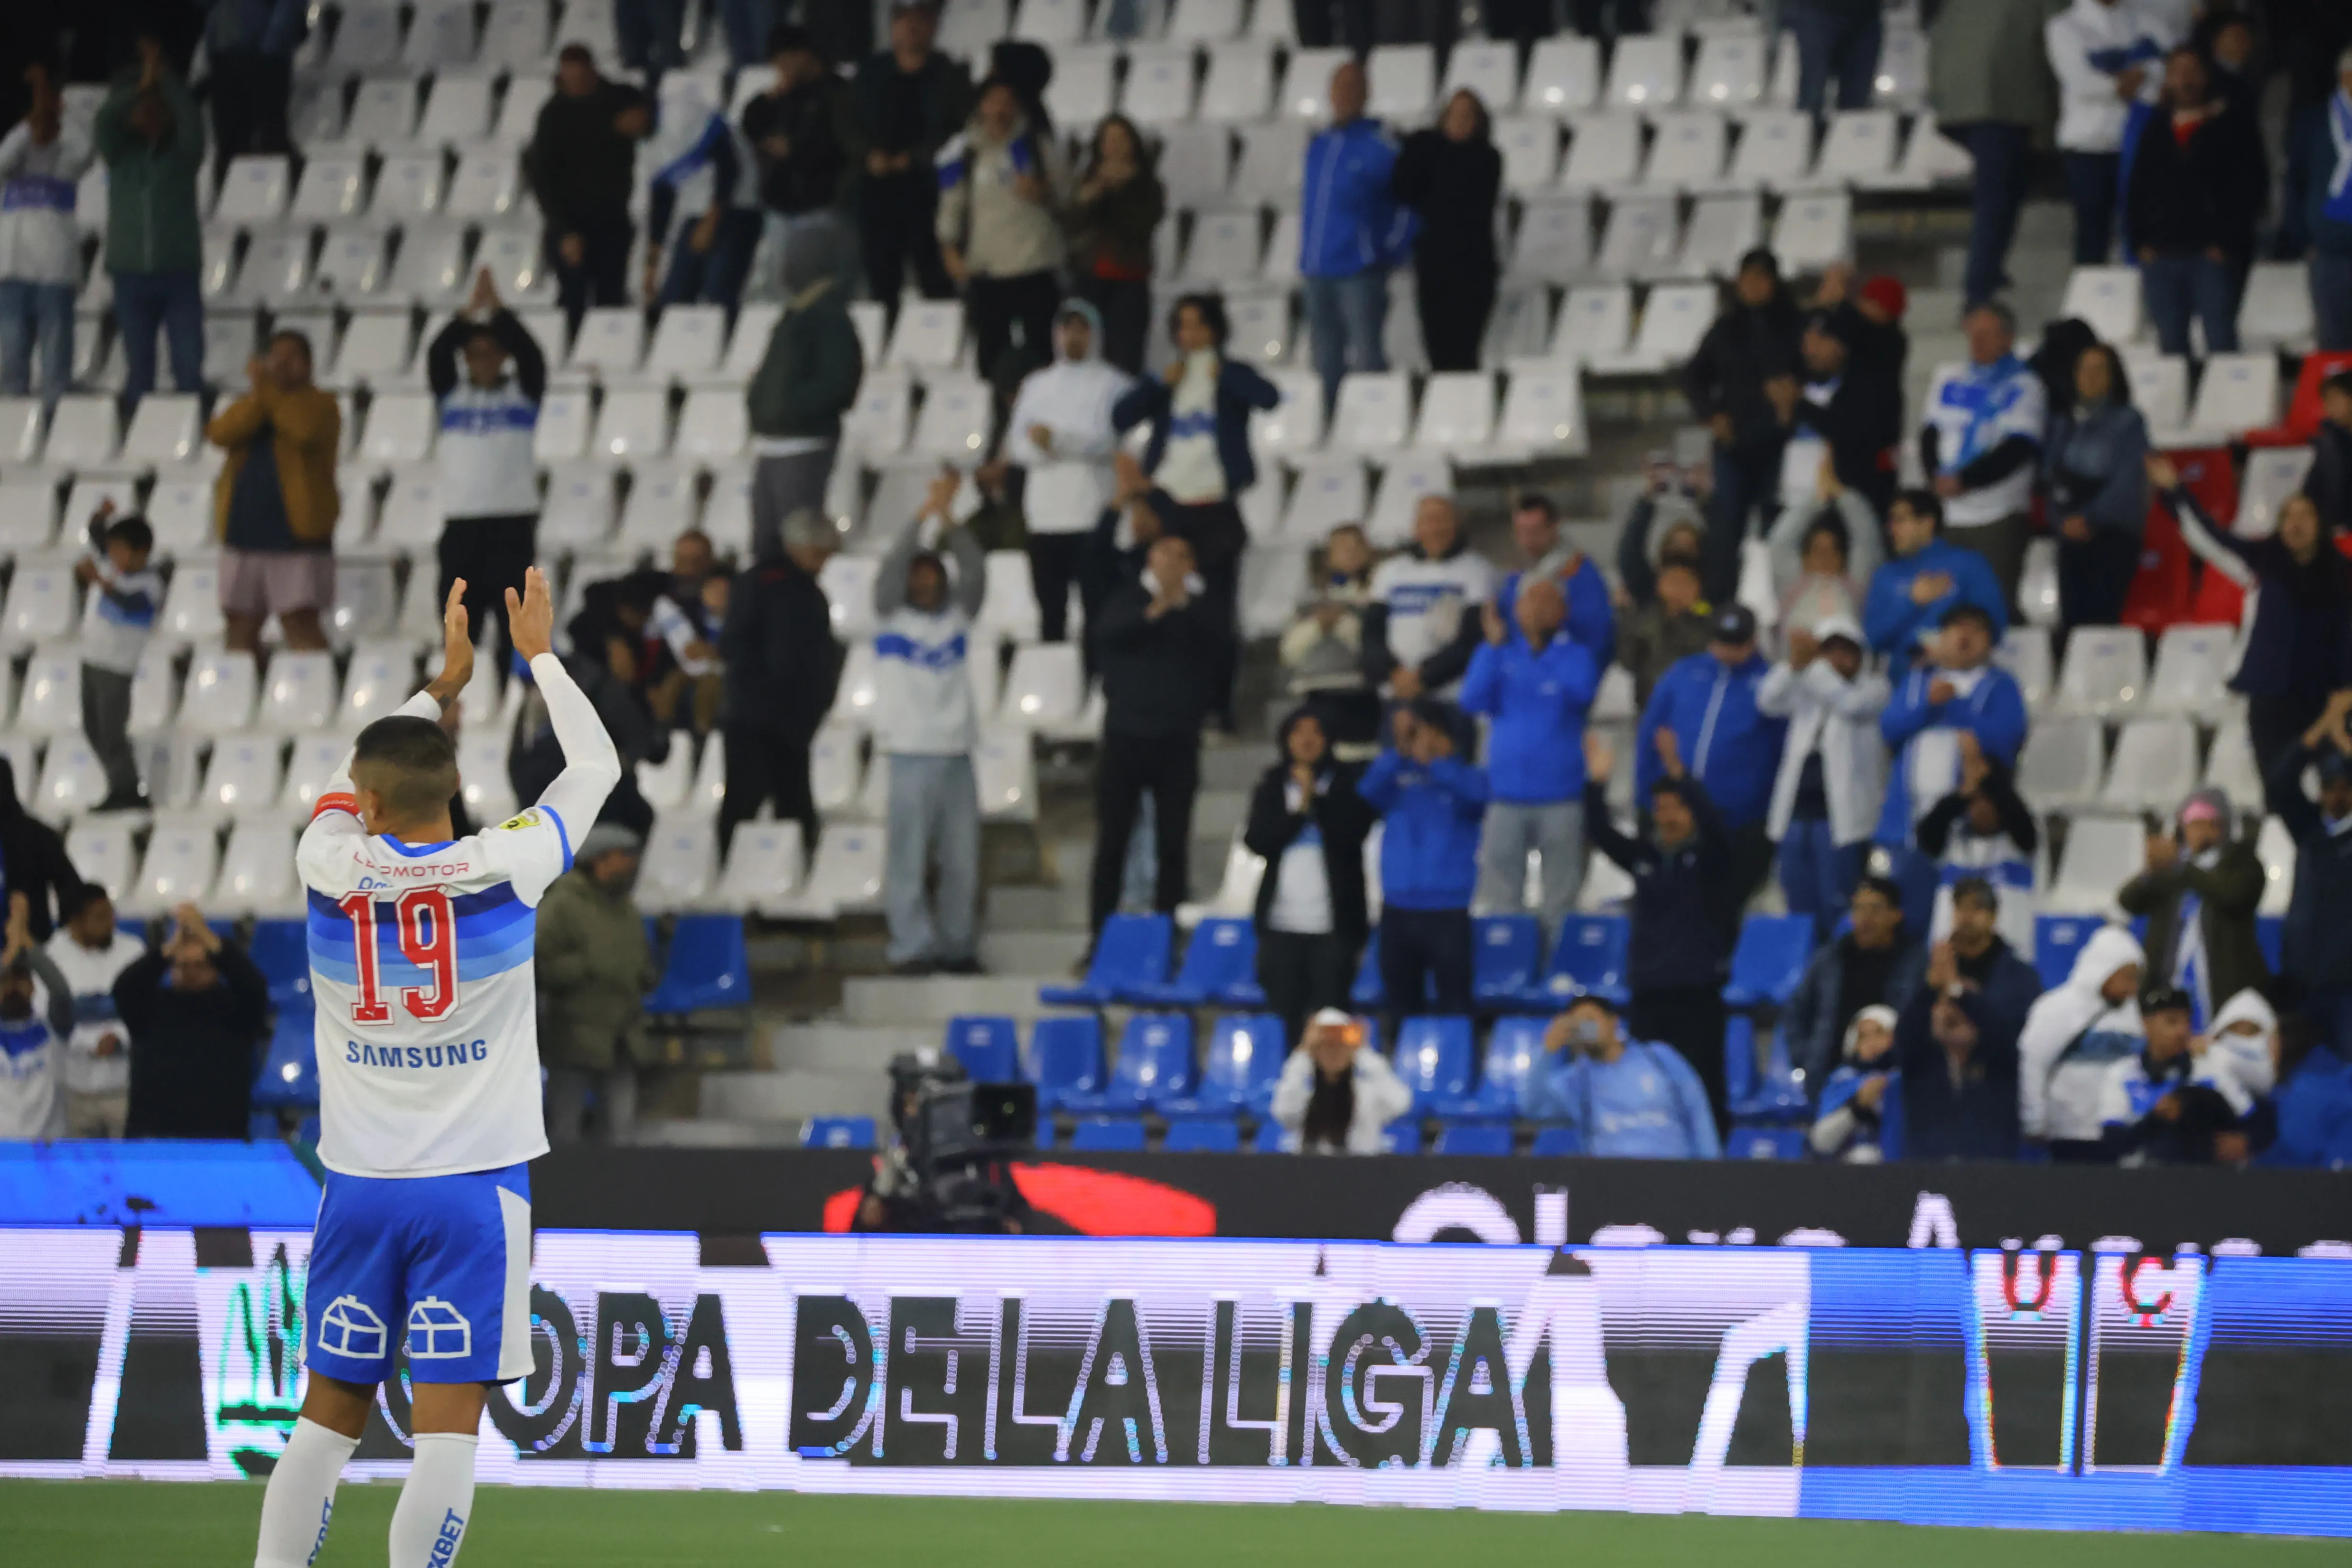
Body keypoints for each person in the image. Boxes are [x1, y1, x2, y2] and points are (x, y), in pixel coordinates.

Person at [246, 567, 616, 1568]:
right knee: (446, 1430)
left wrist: (438, 684)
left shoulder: (329, 859)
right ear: (454, 786)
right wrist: (535, 653)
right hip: (473, 1189)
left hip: (359, 1184)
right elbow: (596, 765)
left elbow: (355, 772)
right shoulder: (510, 861)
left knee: (325, 1421)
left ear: (364, 802)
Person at [1111, 294, 1278, 728]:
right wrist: (1157, 386)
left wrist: (1231, 379)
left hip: (1215, 506)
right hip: (1169, 504)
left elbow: (1270, 397)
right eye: (1182, 327)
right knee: (1164, 602)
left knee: (1218, 611)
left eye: (1198, 325)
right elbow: (1121, 415)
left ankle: (1220, 706)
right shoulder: (1170, 378)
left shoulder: (1229, 374)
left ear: (1215, 329)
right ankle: (1179, 700)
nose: (1190, 335)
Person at [2158, 458, 2352, 798]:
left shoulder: (2344, 575)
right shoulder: (2262, 565)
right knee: (2281, 797)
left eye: (2305, 515)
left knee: (2339, 797)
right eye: (2287, 517)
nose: (2295, 524)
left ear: (2321, 524)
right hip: (2270, 701)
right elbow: (2208, 537)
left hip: (2328, 703)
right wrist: (2175, 491)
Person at [1584, 730, 1736, 1128]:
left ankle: (1712, 1166)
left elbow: (1716, 828)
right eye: (1660, 808)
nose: (1666, 817)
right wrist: (1596, 784)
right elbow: (1600, 833)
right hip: (1649, 994)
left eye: (1675, 808)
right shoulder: (1645, 858)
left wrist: (1679, 773)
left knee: (1704, 1088)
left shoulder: (1712, 862)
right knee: (1647, 1085)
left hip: (1698, 995)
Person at [873, 474, 987, 976]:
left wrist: (950, 520)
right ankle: (911, 946)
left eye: (931, 574)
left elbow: (976, 568)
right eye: (916, 575)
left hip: (958, 752)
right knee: (908, 858)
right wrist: (923, 514)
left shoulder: (960, 615)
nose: (923, 582)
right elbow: (891, 565)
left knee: (963, 861)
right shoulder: (888, 615)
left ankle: (958, 945)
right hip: (909, 753)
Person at [1087, 533, 1219, 936]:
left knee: (1173, 845)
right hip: (1126, 736)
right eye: (1165, 554)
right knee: (1113, 842)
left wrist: (1179, 609)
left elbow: (1219, 653)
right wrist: (1157, 609)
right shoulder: (1127, 600)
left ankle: (1166, 937)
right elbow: (1107, 636)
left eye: (1183, 555)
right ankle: (1101, 938)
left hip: (1177, 739)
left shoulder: (1203, 611)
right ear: (1150, 559)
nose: (1172, 563)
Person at [1462, 576, 1601, 943]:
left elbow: (1581, 692)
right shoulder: (1499, 654)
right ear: (1516, 608)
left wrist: (1546, 650)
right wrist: (1492, 648)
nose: (1538, 608)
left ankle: (1555, 969)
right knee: (1501, 895)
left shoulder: (1577, 655)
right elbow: (1471, 700)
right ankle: (1508, 966)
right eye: (1531, 600)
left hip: (1561, 795)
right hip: (1506, 794)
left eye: (1548, 600)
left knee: (1561, 895)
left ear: (1563, 611)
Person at [1876, 604, 2029, 933]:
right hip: (1905, 823)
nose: (1964, 636)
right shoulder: (1919, 681)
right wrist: (1926, 706)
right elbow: (1890, 728)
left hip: (1962, 828)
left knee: (1950, 920)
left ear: (1989, 642)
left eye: (1975, 629)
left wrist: (1955, 708)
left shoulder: (2001, 685)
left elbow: (2007, 737)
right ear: (1941, 637)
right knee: (1898, 914)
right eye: (1956, 628)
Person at [987, 299, 1130, 644]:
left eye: (1082, 329)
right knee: (1051, 613)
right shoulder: (1037, 385)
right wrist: (1044, 445)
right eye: (1068, 329)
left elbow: (1109, 441)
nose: (1074, 338)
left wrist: (1059, 442)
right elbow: (1017, 445)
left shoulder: (1115, 384)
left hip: (1092, 512)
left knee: (1098, 609)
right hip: (1044, 518)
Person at [427, 271, 546, 667]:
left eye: (491, 351)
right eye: (475, 354)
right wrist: (465, 315)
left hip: (512, 524)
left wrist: (500, 312)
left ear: (504, 355)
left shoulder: (523, 394)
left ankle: (507, 693)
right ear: (465, 360)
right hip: (461, 524)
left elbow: (533, 355)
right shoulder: (451, 396)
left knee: (513, 623)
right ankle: (462, 702)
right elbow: (436, 354)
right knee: (460, 624)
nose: (484, 361)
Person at [1635, 604, 1786, 909]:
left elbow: (1782, 754)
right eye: (1723, 642)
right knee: (1670, 908)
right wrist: (1644, 802)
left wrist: (1769, 818)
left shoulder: (1771, 684)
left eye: (1737, 643)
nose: (1729, 652)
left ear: (1752, 641)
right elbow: (1650, 736)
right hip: (1679, 818)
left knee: (1726, 908)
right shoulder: (1683, 673)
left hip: (1739, 820)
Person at [2123, 46, 2266, 358]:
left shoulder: (2232, 126)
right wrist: (2140, 242)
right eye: (2178, 72)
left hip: (2210, 255)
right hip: (2161, 255)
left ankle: (2224, 406)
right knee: (2171, 347)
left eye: (2193, 71)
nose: (2186, 80)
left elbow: (2248, 190)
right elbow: (2137, 190)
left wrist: (2226, 243)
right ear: (2168, 79)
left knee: (2221, 340)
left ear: (2206, 76)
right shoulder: (2156, 128)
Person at [1246, 716, 1376, 1054]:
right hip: (1281, 925)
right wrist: (1299, 812)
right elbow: (1259, 840)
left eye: (1316, 732)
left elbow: (1351, 832)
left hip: (1334, 926)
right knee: (1283, 1018)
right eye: (1298, 733)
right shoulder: (1272, 784)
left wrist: (1314, 799)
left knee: (1334, 1019)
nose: (1306, 740)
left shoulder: (1348, 782)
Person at [718, 508, 844, 855]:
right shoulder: (768, 585)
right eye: (820, 554)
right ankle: (730, 870)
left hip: (784, 718)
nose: (822, 563)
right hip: (761, 717)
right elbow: (737, 645)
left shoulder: (792, 588)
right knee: (749, 802)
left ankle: (787, 872)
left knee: (792, 805)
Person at [206, 330, 339, 655]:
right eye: (275, 356)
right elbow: (220, 433)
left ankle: (315, 696)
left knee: (300, 624)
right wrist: (260, 397)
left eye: (291, 357)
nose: (281, 364)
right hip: (243, 533)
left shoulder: (321, 405)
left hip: (297, 537)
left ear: (308, 365)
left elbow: (303, 430)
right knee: (239, 626)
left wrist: (266, 393)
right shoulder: (253, 405)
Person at [1758, 615, 1889, 939]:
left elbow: (1851, 704)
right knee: (1798, 904)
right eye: (1830, 652)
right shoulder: (1808, 688)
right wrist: (1793, 666)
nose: (1839, 661)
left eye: (1848, 653)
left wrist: (1812, 667)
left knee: (1838, 904)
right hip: (1796, 815)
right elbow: (1767, 701)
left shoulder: (1876, 689)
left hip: (1840, 823)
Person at [1357, 700, 1488, 1025]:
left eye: (1430, 733)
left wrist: (1437, 763)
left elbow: (1478, 799)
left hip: (1448, 909)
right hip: (1398, 907)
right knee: (1400, 1007)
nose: (1423, 740)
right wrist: (1399, 752)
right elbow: (1366, 793)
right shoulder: (1396, 777)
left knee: (1456, 1007)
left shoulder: (1467, 777)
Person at [1682, 249, 1802, 603]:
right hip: (1734, 442)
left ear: (1775, 282)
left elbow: (1812, 373)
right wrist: (1712, 414)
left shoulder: (1794, 326)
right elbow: (1693, 377)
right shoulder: (1726, 328)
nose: (1752, 286)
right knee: (1725, 530)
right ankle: (1720, 607)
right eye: (1746, 278)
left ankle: (1781, 602)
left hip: (1781, 444)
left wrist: (1792, 402)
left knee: (1778, 529)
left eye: (1761, 278)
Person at [937, 75, 1069, 393]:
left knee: (1043, 355)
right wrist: (950, 252)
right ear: (981, 105)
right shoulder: (961, 153)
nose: (1000, 109)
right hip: (988, 270)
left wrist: (1043, 194)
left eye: (1007, 102)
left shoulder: (1040, 147)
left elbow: (1069, 200)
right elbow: (950, 206)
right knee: (991, 358)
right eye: (993, 101)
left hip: (1035, 266)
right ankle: (993, 425)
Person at [95, 29, 205, 407]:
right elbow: (105, 120)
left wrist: (164, 79)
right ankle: (137, 439)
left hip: (178, 272)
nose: (150, 112)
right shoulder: (119, 155)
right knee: (139, 373)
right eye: (142, 107)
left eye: (156, 105)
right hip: (130, 275)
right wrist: (141, 85)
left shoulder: (183, 155)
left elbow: (192, 121)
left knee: (189, 368)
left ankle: (194, 434)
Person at [744, 225, 863, 567]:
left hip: (805, 444)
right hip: (773, 442)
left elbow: (841, 383)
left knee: (797, 550)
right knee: (766, 547)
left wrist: (788, 407)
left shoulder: (829, 318)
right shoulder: (797, 314)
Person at [1299, 59, 1413, 414]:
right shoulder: (1318, 145)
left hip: (1360, 270)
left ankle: (1373, 425)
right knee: (1324, 361)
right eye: (1340, 87)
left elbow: (1410, 205)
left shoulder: (1383, 147)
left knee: (1367, 356)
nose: (1345, 95)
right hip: (1317, 270)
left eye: (1353, 88)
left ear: (1366, 94)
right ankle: (1331, 427)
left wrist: (1389, 251)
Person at [1930, 0, 2061, 308]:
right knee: (1997, 199)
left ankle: (1988, 274)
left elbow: (1936, 43)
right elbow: (2057, 43)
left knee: (2001, 193)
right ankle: (1979, 289)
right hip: (2003, 103)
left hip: (1960, 103)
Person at [537, 823, 661, 1145]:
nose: (632, 864)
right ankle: (564, 1192)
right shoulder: (562, 904)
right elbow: (535, 960)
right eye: (624, 856)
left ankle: (619, 1193)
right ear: (600, 860)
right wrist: (583, 969)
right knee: (565, 1129)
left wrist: (645, 971)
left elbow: (635, 955)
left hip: (622, 1033)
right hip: (575, 1034)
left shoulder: (625, 908)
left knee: (621, 1133)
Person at [1919, 301, 2047, 607]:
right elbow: (1930, 433)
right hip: (1949, 512)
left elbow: (2019, 447)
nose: (1976, 343)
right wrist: (1935, 477)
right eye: (1972, 335)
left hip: (1997, 513)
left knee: (1992, 602)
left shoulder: (2026, 385)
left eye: (1986, 335)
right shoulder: (1949, 376)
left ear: (2008, 338)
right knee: (1945, 605)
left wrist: (1966, 480)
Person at [849, 0, 974, 312]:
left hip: (929, 188)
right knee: (881, 273)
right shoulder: (870, 72)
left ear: (933, 27)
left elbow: (960, 130)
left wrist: (917, 157)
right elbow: (847, 123)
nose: (911, 28)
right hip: (877, 189)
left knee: (934, 273)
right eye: (904, 21)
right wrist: (869, 154)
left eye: (919, 20)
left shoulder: (951, 75)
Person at [2118, 787, 2268, 1029]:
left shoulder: (2243, 862)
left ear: (2223, 827)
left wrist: (2184, 866)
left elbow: (2234, 896)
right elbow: (2129, 902)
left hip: (2225, 983)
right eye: (2195, 824)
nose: (2202, 831)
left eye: (2210, 824)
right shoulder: (2173, 869)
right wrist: (2149, 873)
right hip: (2171, 981)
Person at [113, 901, 265, 1138]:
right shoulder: (150, 1009)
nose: (190, 971)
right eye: (182, 964)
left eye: (200, 965)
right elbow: (124, 988)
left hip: (221, 1139)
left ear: (217, 968)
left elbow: (254, 986)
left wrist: (208, 938)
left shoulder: (236, 1010)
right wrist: (169, 949)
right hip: (155, 1139)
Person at [526, 46, 647, 331]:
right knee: (573, 299)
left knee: (611, 296)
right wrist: (565, 230)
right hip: (570, 222)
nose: (575, 82)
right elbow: (542, 178)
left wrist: (642, 118)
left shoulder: (619, 98)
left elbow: (648, 111)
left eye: (580, 75)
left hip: (612, 219)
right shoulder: (553, 115)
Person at [2047, 0, 2171, 267]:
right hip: (2088, 143)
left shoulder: (2149, 22)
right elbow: (2080, 82)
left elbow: (2167, 73)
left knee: (2145, 227)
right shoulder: (2065, 26)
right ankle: (2091, 303)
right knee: (2094, 232)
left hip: (2141, 140)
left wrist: (2127, 83)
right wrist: (2127, 84)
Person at [1524, 994, 1722, 1159]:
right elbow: (1532, 1107)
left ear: (1613, 1021)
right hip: (1611, 1183)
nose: (1586, 1029)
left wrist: (1712, 1169)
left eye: (1591, 1021)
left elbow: (1697, 1111)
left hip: (1674, 1175)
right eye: (1578, 1025)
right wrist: (1547, 1050)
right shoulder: (1576, 1080)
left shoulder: (1659, 1058)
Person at [0, 64, 93, 407]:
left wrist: (57, 112)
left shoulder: (67, 163)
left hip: (55, 273)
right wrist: (32, 120)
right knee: (11, 367)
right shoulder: (10, 171)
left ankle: (54, 427)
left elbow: (87, 147)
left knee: (56, 370)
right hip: (12, 272)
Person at [740, 24, 854, 300]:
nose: (781, 69)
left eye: (784, 61)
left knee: (824, 289)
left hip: (825, 206)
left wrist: (795, 151)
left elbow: (841, 146)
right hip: (784, 206)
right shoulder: (785, 95)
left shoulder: (839, 93)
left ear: (803, 55)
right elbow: (750, 124)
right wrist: (771, 97)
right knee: (782, 288)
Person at [2043, 340, 2149, 633]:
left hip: (2112, 532)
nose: (2090, 378)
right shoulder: (2062, 424)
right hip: (2069, 533)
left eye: (2099, 370)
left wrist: (2089, 517)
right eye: (2084, 370)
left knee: (2103, 619)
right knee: (2072, 622)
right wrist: (2061, 521)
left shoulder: (2129, 422)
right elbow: (2049, 479)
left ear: (2114, 377)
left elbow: (2128, 481)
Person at [1391, 89, 1500, 373]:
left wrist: (1427, 148)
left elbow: (1459, 200)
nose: (1461, 121)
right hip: (1434, 266)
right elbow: (1403, 189)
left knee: (1464, 349)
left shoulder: (1488, 159)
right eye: (1455, 114)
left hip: (1473, 268)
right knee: (1436, 348)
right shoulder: (1428, 153)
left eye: (1468, 115)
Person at [2018, 923, 2147, 1159]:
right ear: (2105, 971)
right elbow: (2034, 1063)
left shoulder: (2132, 1015)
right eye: (2127, 977)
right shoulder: (2057, 1008)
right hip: (2069, 1133)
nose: (2132, 987)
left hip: (2118, 1133)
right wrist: (2034, 1120)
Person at [2269, 691, 2352, 1056]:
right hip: (2304, 979)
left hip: (2348, 984)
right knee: (2299, 1076)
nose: (2335, 796)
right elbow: (2281, 785)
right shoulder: (2309, 831)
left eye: (2344, 788)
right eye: (2328, 787)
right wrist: (2321, 728)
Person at [1786, 876, 1926, 1091]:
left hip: (1893, 1081)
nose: (1866, 918)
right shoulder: (1829, 959)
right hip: (1828, 1079)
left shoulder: (1918, 964)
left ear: (1896, 915)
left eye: (1875, 909)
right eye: (1859, 909)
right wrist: (1808, 1060)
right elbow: (1796, 1012)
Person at [643, 74, 762, 314]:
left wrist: (712, 220)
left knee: (718, 296)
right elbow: (662, 197)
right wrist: (652, 265)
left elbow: (728, 166)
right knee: (673, 302)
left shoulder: (683, 117)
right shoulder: (646, 144)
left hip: (735, 209)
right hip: (697, 213)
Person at [1361, 495, 1497, 703]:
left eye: (1444, 519)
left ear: (1456, 524)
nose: (1436, 528)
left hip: (1451, 696)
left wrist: (1425, 677)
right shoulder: (1390, 571)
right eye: (1429, 520)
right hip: (1396, 696)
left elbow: (1472, 638)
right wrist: (1395, 674)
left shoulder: (1478, 570)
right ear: (1416, 527)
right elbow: (1372, 635)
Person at [1865, 488, 2010, 682]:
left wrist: (1950, 648)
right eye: (1891, 522)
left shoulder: (1968, 564)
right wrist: (1912, 602)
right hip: (1903, 683)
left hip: (1961, 679)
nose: (1892, 530)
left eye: (1900, 521)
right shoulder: (1886, 574)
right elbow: (1873, 638)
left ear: (1927, 523)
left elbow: (1994, 624)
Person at [2096, 984, 2252, 1163]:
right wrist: (2155, 1119)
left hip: (2204, 1181)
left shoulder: (2211, 1071)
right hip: (2139, 1183)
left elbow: (2256, 1123)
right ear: (2146, 1025)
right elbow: (2114, 1143)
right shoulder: (2121, 1075)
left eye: (2187, 1022)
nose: (2182, 1031)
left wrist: (2246, 1143)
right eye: (2172, 1022)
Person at [69, 504, 159, 812]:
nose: (116, 556)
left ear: (141, 552)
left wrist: (98, 581)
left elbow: (130, 604)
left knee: (112, 731)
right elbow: (97, 536)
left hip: (117, 669)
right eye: (114, 550)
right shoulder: (111, 568)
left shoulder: (149, 584)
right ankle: (118, 783)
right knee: (93, 728)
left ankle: (127, 789)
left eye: (122, 551)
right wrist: (98, 516)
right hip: (92, 661)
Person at [1917, 735, 2042, 953]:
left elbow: (2022, 825)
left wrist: (1986, 777)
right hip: (1952, 957)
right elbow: (1927, 834)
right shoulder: (1952, 842)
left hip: (2009, 957)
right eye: (1974, 801)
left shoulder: (2019, 844)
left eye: (1988, 801)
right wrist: (1962, 794)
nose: (1981, 809)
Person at [1781, 310, 1903, 521]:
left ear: (1839, 343)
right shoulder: (1815, 380)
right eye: (1807, 343)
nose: (1810, 351)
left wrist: (1800, 405)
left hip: (1859, 496)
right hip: (1804, 495)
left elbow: (1849, 431)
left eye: (1819, 343)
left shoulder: (1870, 383)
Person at [1065, 113, 1163, 375]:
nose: (1115, 147)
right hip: (1089, 278)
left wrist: (1120, 189)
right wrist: (1095, 192)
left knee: (1125, 359)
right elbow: (1071, 224)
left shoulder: (1149, 188)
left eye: (1122, 140)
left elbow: (1137, 228)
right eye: (1109, 141)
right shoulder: (1087, 183)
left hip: (1129, 281)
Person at [46, 885, 139, 1138]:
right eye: (100, 918)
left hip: (124, 1087)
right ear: (75, 922)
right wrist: (90, 1044)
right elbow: (52, 1019)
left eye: (111, 914)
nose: (110, 923)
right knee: (82, 1171)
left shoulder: (133, 952)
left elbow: (146, 1011)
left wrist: (119, 1038)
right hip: (75, 1090)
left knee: (126, 1170)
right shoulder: (53, 959)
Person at [1895, 982, 2023, 1161]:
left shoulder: (1999, 1063)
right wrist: (1930, 990)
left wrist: (1961, 993)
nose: (1953, 1011)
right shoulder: (1920, 1065)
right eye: (1945, 1004)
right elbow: (1906, 1033)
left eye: (1963, 1005)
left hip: (1989, 1176)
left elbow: (2000, 1031)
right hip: (1927, 1176)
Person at [1279, 523, 1380, 752]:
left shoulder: (1377, 598)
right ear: (1328, 557)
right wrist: (1319, 626)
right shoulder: (1310, 601)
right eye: (1342, 548)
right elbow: (1290, 652)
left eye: (1356, 547)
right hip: (1317, 693)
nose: (1350, 553)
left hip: (1361, 694)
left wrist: (1342, 622)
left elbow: (1374, 646)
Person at [1494, 491, 1615, 671]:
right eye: (1521, 532)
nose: (1528, 540)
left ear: (1554, 527)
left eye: (1535, 532)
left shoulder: (1578, 573)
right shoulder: (1516, 576)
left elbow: (1596, 635)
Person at [1269, 1008, 1415, 1155]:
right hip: (1312, 1172)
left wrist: (1362, 1050)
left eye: (1339, 1047)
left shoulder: (1367, 1093)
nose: (1333, 1053)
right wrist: (1302, 1054)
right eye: (1326, 1046)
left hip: (1360, 1172)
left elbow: (1401, 1104)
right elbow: (1282, 1112)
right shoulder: (1304, 1093)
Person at [1926, 875, 2047, 1048]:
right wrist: (1928, 991)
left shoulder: (2021, 976)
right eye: (1960, 908)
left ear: (1993, 916)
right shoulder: (1935, 966)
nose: (1967, 917)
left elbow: (2019, 1033)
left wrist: (1958, 991)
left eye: (1976, 908)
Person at [1764, 462, 1883, 637]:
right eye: (1817, 551)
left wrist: (1843, 495)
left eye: (1832, 552)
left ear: (1843, 558)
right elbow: (1781, 541)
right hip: (1798, 662)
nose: (1824, 559)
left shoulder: (1856, 586)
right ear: (1804, 557)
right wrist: (1816, 499)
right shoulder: (1791, 584)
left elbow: (1867, 539)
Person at [201, 0, 303, 179]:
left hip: (263, 55)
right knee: (229, 145)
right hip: (223, 57)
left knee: (271, 137)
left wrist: (273, 46)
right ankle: (234, 195)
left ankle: (284, 188)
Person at [0, 892, 74, 1139]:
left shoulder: (53, 1026)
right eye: (5, 982)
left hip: (48, 1152)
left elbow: (61, 991)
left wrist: (25, 940)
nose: (12, 988)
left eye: (21, 980)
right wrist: (11, 950)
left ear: (33, 987)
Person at [2300, 47, 2352, 349]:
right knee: (2336, 342)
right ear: (2346, 77)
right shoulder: (2315, 121)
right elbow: (2296, 182)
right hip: (2330, 250)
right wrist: (2305, 238)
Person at [1619, 555, 1713, 711]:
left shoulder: (1707, 620)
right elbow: (1627, 660)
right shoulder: (1644, 617)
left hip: (1696, 704)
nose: (1679, 589)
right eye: (1673, 582)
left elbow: (1707, 655)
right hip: (1651, 703)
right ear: (1659, 585)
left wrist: (1686, 616)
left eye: (1686, 583)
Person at [1808, 1005, 1901, 1162]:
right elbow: (1821, 1142)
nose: (1871, 1042)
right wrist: (1858, 1106)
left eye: (1879, 1033)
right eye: (1863, 1036)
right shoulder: (1842, 1079)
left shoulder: (1905, 1079)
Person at [0, 760, 78, 942]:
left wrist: (64, 945)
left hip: (31, 955)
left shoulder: (36, 836)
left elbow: (70, 889)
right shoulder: (39, 833)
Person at [1786, 0, 1885, 116]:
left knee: (1856, 102)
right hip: (1818, 12)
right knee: (1813, 93)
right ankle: (1807, 131)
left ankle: (1847, 132)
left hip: (1866, 16)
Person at [2312, 370, 2352, 536]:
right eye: (2326, 401)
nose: (2329, 407)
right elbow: (2313, 489)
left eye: (2335, 398)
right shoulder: (2326, 444)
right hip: (2337, 529)